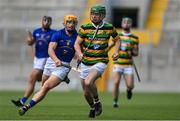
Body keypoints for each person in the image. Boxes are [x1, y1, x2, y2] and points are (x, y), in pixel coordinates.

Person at [18, 15, 78, 116]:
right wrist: (56, 60)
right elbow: (50, 49)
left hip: (63, 66)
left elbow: (77, 53)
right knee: (43, 87)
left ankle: (26, 107)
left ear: (75, 24)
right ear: (64, 23)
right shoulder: (58, 34)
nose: (71, 25)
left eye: (73, 23)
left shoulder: (77, 37)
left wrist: (79, 57)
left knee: (45, 87)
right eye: (69, 22)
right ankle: (63, 78)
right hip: (51, 63)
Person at [74, 5, 121, 118]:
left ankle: (97, 101)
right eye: (92, 14)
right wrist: (79, 53)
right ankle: (92, 107)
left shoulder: (109, 27)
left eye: (97, 14)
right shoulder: (85, 27)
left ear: (102, 16)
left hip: (100, 61)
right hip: (86, 62)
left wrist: (116, 52)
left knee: (88, 82)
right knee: (86, 92)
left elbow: (118, 40)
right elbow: (76, 44)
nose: (94, 16)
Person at [11, 16, 56, 107]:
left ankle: (23, 100)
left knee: (32, 78)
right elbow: (31, 43)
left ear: (50, 23)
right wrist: (29, 41)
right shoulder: (36, 31)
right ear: (42, 21)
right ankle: (27, 99)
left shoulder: (53, 33)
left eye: (48, 21)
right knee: (38, 80)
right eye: (45, 20)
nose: (46, 22)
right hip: (37, 59)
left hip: (46, 58)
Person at [112, 17, 139, 108]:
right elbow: (111, 46)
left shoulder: (135, 38)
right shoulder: (117, 36)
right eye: (124, 22)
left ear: (131, 24)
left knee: (130, 85)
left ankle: (129, 90)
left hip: (128, 65)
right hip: (118, 63)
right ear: (122, 24)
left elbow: (136, 53)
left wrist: (130, 51)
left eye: (128, 22)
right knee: (116, 83)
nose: (126, 24)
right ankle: (115, 102)